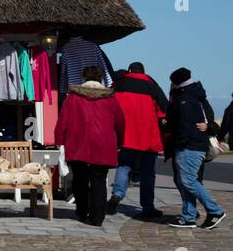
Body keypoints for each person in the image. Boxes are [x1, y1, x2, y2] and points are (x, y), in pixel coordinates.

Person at [55, 65, 125, 226]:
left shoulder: (73, 97)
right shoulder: (110, 98)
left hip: (78, 143)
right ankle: (97, 217)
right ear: (101, 79)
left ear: (84, 79)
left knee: (79, 179)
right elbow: (120, 122)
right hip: (103, 144)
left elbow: (63, 121)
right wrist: (120, 142)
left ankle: (81, 210)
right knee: (99, 181)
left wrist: (59, 140)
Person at [165, 68, 226, 229]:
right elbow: (211, 121)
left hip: (189, 146)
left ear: (176, 82)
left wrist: (178, 142)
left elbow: (183, 125)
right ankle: (188, 216)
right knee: (184, 181)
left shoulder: (183, 99)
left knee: (189, 180)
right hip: (197, 144)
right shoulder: (199, 97)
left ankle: (215, 211)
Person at [107, 62, 168, 220]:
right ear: (143, 72)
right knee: (148, 173)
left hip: (124, 136)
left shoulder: (118, 85)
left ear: (129, 71)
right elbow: (164, 112)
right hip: (147, 137)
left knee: (123, 166)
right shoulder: (152, 86)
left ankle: (116, 196)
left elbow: (109, 107)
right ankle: (147, 207)